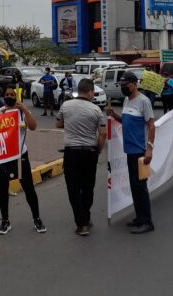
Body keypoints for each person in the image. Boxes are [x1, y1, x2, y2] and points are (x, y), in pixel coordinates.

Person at [0, 86, 46, 235]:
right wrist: (2, 112)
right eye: (7, 94)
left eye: (12, 94)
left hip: (20, 156)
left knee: (28, 188)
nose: (9, 96)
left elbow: (33, 127)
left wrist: (24, 109)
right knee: (3, 190)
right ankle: (5, 221)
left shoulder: (22, 112)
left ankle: (37, 218)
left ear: (16, 96)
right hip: (2, 158)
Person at [56, 78, 107, 236]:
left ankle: (82, 223)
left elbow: (58, 124)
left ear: (79, 90)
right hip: (89, 152)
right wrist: (98, 150)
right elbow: (103, 133)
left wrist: (71, 123)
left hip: (71, 152)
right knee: (87, 187)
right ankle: (85, 216)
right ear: (90, 92)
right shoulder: (96, 110)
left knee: (73, 189)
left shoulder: (66, 105)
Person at [107, 72, 156, 234]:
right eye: (121, 85)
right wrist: (114, 115)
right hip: (129, 151)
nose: (123, 88)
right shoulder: (127, 100)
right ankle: (139, 217)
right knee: (134, 186)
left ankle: (147, 222)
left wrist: (149, 148)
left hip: (141, 151)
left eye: (125, 85)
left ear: (134, 84)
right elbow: (126, 121)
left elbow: (151, 125)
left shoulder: (144, 101)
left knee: (141, 186)